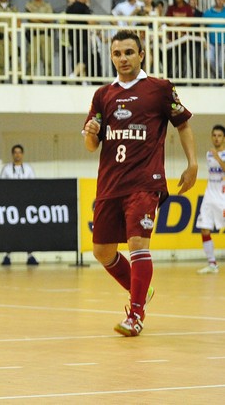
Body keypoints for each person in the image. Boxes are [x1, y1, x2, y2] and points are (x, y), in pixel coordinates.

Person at [83, 29, 198, 337]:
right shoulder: (102, 95)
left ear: (141, 54)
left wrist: (192, 163)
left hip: (145, 182)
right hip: (109, 184)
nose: (123, 58)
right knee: (102, 252)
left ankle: (136, 314)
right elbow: (92, 146)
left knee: (137, 244)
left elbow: (183, 124)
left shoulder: (159, 89)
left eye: (129, 52)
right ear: (111, 56)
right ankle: (140, 290)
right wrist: (92, 132)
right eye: (118, 53)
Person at [0, 144, 38, 266]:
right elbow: (1, 186)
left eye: (19, 152)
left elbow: (33, 186)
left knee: (27, 230)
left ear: (22, 154)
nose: (17, 154)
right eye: (15, 152)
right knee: (9, 230)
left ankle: (30, 255)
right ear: (12, 154)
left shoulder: (28, 169)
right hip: (10, 205)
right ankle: (7, 255)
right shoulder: (6, 169)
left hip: (25, 205)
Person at [196, 124, 225, 274]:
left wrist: (217, 157)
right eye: (214, 135)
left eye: (219, 136)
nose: (216, 138)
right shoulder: (209, 154)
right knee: (204, 228)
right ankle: (212, 263)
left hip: (223, 197)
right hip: (209, 196)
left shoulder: (219, 154)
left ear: (224, 138)